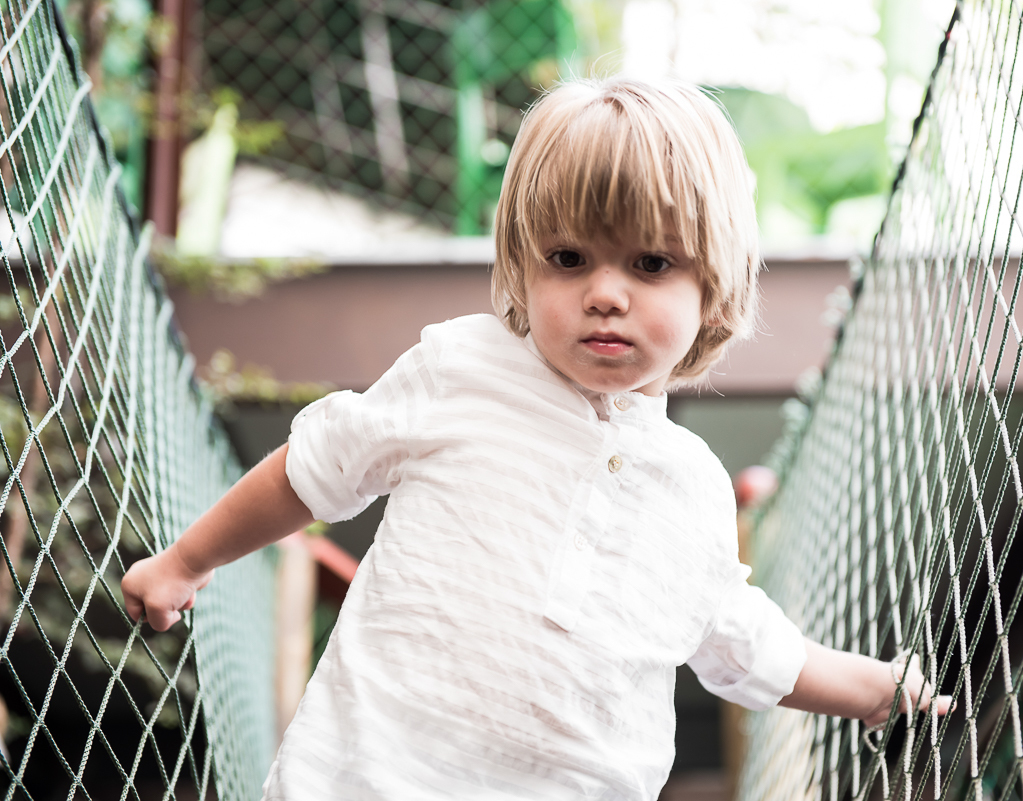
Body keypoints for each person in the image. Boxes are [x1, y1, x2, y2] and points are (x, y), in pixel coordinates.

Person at [121, 78, 951, 800]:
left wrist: (874, 687)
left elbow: (741, 639)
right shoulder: (461, 367)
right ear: (522, 267)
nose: (605, 293)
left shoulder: (691, 483)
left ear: (715, 287)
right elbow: (311, 468)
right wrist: (186, 560)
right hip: (367, 777)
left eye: (651, 264)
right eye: (568, 257)